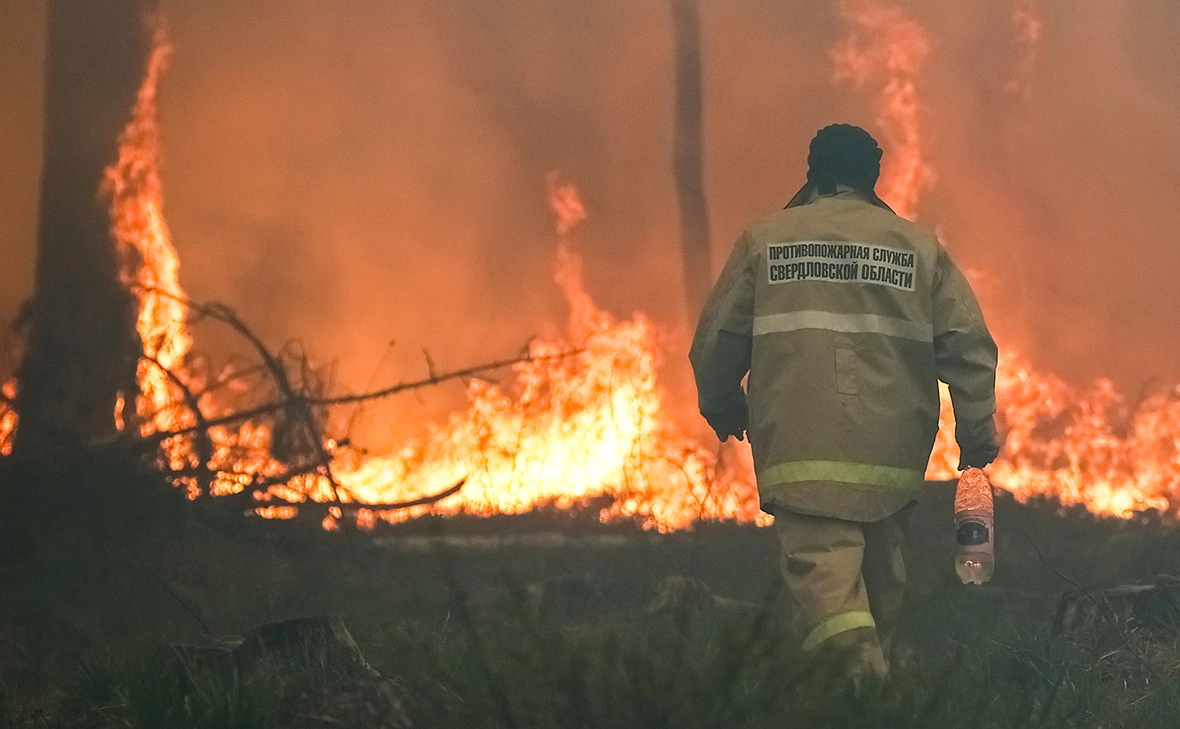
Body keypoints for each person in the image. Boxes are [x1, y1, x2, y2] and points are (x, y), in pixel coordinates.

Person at [690, 123, 1001, 682]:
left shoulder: (767, 239)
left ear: (814, 170)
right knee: (880, 597)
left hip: (803, 458)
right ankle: (853, 698)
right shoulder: (919, 247)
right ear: (872, 175)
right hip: (892, 464)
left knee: (831, 603)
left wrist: (722, 406)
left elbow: (716, 344)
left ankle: (864, 699)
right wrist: (977, 435)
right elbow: (969, 348)